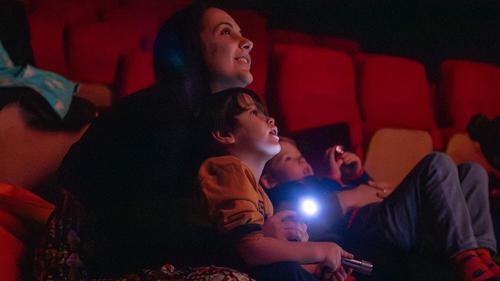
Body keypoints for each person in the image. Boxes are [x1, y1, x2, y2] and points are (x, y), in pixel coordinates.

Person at [56, 2, 304, 278]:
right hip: (85, 261)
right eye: (225, 33)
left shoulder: (204, 123)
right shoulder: (159, 113)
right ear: (189, 48)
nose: (247, 43)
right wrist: (251, 238)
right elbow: (143, 229)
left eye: (241, 33)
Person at [262, 137, 500, 281]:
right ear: (269, 180)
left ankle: (482, 254)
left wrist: (357, 175)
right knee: (436, 162)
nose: (302, 161)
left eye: (301, 156)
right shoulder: (285, 193)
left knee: (473, 171)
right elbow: (310, 218)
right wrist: (349, 194)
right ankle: (467, 258)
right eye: (289, 159)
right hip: (365, 228)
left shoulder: (325, 181)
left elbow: (375, 190)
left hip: (386, 214)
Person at [195, 87, 353, 281]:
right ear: (224, 133)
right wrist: (320, 250)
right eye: (254, 113)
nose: (270, 120)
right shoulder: (227, 169)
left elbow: (265, 254)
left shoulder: (259, 193)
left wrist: (314, 269)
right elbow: (252, 250)